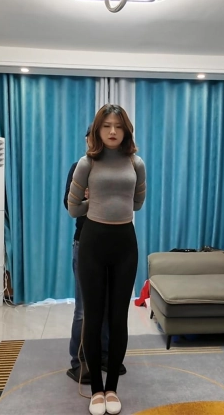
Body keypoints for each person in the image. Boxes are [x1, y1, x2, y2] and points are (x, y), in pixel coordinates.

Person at [68, 104, 146, 415]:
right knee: (93, 316)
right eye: (106, 126)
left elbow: (137, 203)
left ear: (126, 130)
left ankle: (112, 388)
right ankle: (96, 390)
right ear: (98, 130)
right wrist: (97, 204)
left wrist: (111, 201)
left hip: (125, 245)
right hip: (92, 245)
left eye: (118, 126)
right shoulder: (86, 163)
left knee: (118, 319)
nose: (113, 131)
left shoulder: (136, 163)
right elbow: (73, 208)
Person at [64, 127, 127, 384]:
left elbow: (127, 202)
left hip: (114, 244)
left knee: (110, 306)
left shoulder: (119, 169)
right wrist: (95, 200)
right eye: (90, 139)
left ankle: (103, 356)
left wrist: (103, 196)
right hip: (85, 244)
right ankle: (78, 362)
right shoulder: (79, 168)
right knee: (85, 309)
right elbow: (70, 206)